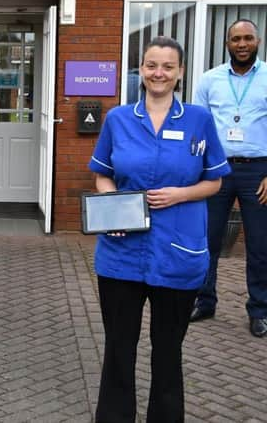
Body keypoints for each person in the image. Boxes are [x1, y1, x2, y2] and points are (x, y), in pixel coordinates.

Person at [88, 36, 230, 422]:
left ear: (180, 72)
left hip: (177, 254)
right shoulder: (119, 118)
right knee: (119, 348)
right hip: (121, 256)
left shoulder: (199, 120)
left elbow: (215, 182)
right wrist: (113, 212)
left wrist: (180, 194)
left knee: (168, 350)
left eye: (168, 66)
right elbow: (103, 177)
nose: (159, 73)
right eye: (152, 65)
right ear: (141, 69)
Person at [190, 19, 267, 338]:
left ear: (258, 41)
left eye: (248, 38)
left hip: (258, 169)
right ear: (227, 44)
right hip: (217, 168)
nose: (242, 44)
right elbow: (199, 128)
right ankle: (204, 301)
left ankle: (260, 310)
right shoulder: (210, 80)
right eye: (236, 39)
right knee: (207, 239)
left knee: (260, 245)